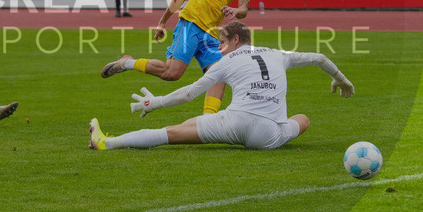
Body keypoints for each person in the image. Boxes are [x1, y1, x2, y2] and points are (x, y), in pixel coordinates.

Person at [88, 21, 355, 151]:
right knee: (303, 119)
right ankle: (107, 142)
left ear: (236, 40)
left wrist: (156, 102)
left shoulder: (225, 62)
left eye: (222, 42)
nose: (219, 48)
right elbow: (319, 58)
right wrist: (341, 80)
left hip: (234, 123)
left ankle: (106, 143)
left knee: (168, 133)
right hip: (268, 136)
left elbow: (188, 93)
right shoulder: (278, 54)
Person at [100, 0, 251, 117]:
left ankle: (208, 121)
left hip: (211, 32)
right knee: (171, 73)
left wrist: (237, 10)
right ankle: (127, 63)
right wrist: (163, 21)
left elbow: (244, 8)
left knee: (219, 75)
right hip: (190, 24)